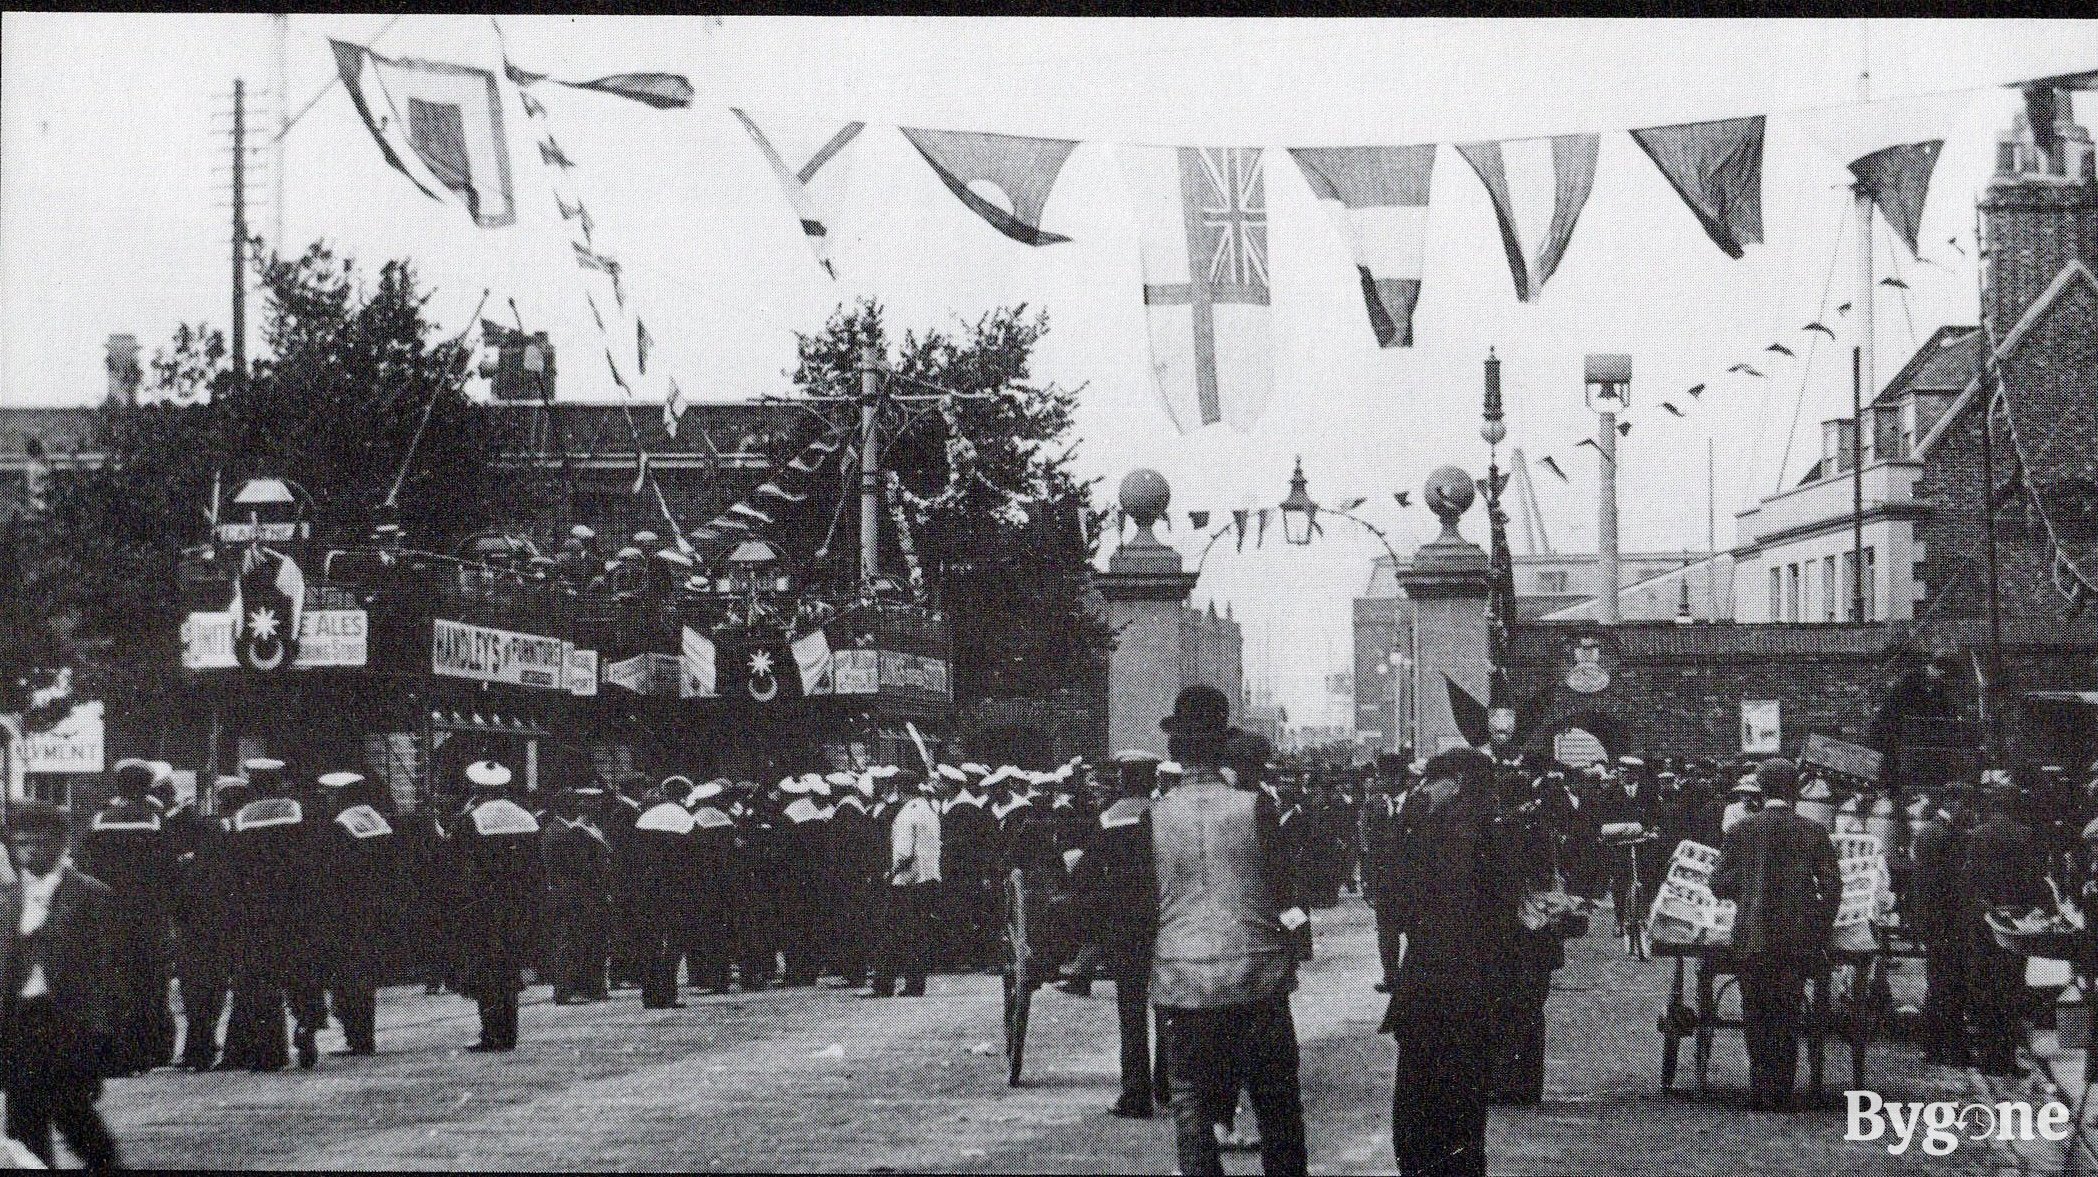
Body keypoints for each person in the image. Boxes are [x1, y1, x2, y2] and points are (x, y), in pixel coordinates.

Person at [1149, 686, 1308, 1177]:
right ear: (1224, 746)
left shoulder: (1152, 818)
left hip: (1182, 980)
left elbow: (1141, 907)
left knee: (1193, 1111)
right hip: (1257, 977)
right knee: (1279, 1112)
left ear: (1175, 750)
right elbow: (1289, 893)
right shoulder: (1256, 809)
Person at [1383, 748, 1507, 1177]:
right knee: (1465, 1100)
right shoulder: (1490, 832)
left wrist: (1392, 969)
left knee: (1417, 1095)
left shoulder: (1419, 829)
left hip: (1424, 979)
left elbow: (1392, 906)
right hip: (1473, 984)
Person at [1709, 757, 1842, 1110]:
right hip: (1796, 940)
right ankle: (1782, 1088)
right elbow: (1832, 888)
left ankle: (1760, 1088)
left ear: (1760, 789)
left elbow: (1718, 883)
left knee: (1756, 1011)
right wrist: (1817, 926)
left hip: (1751, 937)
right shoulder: (1813, 831)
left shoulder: (1740, 831)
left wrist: (1748, 889)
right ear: (1794, 789)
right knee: (1787, 1010)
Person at [0, 802, 121, 1169]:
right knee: (23, 1121)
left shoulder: (89, 894)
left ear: (60, 843)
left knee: (74, 1116)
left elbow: (107, 971)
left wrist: (102, 1033)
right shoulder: (7, 900)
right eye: (21, 843)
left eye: (38, 842)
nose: (30, 851)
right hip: (19, 1021)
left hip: (68, 1020)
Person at [1070, 751, 1165, 1118]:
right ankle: (1167, 1081)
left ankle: (1135, 1093)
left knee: (1131, 1009)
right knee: (1168, 1005)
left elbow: (1086, 875)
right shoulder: (1164, 815)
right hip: (1165, 919)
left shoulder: (1109, 818)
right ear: (1153, 779)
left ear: (1124, 780)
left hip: (1124, 924)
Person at [221, 758, 327, 1072]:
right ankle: (308, 1023)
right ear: (280, 782)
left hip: (257, 910)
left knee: (262, 977)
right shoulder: (300, 812)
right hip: (297, 906)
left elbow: (234, 869)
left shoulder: (241, 819)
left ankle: (270, 1050)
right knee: (302, 971)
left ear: (253, 785)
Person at [73, 758, 177, 1077]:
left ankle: (118, 1052)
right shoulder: (156, 817)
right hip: (148, 915)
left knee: (115, 981)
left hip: (108, 913)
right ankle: (153, 1050)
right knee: (150, 981)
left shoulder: (101, 816)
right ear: (146, 785)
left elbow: (85, 862)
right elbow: (169, 867)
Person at [1959, 772, 2049, 1077]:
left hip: (1984, 921)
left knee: (1983, 985)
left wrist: (1981, 908)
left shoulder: (1977, 835)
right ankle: (2006, 1056)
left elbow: (1968, 880)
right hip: (2015, 923)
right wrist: (2048, 908)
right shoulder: (2024, 835)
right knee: (2011, 987)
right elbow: (2035, 879)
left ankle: (1989, 1055)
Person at [452, 761, 543, 1051]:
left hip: (484, 906)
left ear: (476, 788)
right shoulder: (525, 817)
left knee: (486, 968)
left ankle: (491, 1032)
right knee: (509, 967)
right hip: (519, 904)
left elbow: (457, 862)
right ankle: (509, 1032)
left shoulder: (472, 819)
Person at [313, 771, 398, 1056]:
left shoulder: (340, 826)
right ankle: (364, 1034)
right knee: (365, 973)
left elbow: (332, 873)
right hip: (378, 909)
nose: (325, 802)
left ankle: (357, 1036)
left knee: (348, 973)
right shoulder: (376, 819)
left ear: (339, 796)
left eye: (328, 796)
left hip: (348, 913)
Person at [1908, 793, 1970, 1065]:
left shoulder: (1926, 832)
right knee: (1951, 984)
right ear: (1954, 805)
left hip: (1931, 919)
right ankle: (1954, 1050)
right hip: (1948, 920)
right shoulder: (1949, 836)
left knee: (1937, 982)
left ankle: (1932, 1047)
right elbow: (1953, 882)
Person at [869, 771, 942, 999]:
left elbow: (903, 853)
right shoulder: (929, 811)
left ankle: (883, 983)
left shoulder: (905, 815)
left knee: (891, 933)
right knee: (918, 934)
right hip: (928, 878)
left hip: (907, 882)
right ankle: (915, 982)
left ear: (899, 789)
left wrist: (891, 872)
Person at [1359, 754, 1408, 995]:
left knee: (1413, 930)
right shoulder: (1375, 805)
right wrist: (1368, 881)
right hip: (1384, 879)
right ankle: (1391, 976)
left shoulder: (1417, 803)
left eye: (1383, 776)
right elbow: (1368, 847)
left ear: (1397, 777)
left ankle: (1411, 976)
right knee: (1386, 931)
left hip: (1410, 880)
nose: (1378, 781)